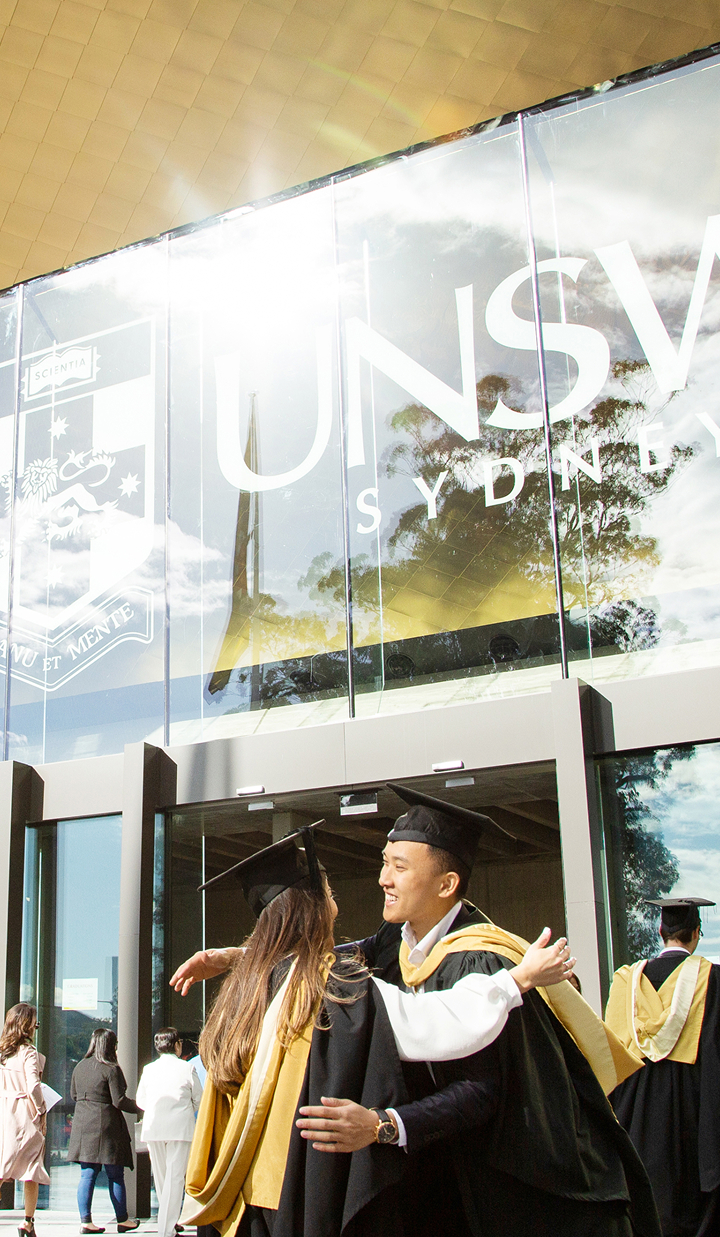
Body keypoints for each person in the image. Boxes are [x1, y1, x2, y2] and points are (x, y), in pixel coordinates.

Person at [173, 787, 661, 1237]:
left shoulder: (479, 959)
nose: (382, 878)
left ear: (447, 883)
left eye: (399, 867)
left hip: (485, 1189)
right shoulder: (390, 944)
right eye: (385, 862)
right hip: (409, 1178)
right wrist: (241, 957)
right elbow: (331, 961)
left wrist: (387, 1124)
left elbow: (481, 1089)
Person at [605, 897, 720, 1237]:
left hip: (638, 1110)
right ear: (696, 934)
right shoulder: (712, 980)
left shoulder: (625, 981)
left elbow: (611, 1051)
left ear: (660, 932)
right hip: (694, 1110)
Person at [67, 1029, 141, 1235]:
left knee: (87, 1174)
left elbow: (74, 1095)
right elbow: (119, 1100)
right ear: (110, 1046)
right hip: (107, 1126)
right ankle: (123, 1220)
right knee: (115, 1174)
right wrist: (142, 1108)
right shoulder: (111, 1069)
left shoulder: (79, 1067)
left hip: (83, 1124)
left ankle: (85, 1221)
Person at [136, 1027, 202, 1237]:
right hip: (179, 1128)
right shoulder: (186, 1068)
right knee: (175, 1179)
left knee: (163, 1179)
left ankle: (168, 1227)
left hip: (154, 1127)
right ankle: (166, 1230)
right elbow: (199, 1098)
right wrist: (184, 1110)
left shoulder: (148, 1069)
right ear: (176, 1044)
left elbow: (141, 1100)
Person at [0, 1003, 48, 1237]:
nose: (36, 1027)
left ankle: (29, 1224)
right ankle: (27, 1222)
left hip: (4, 1112)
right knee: (31, 1169)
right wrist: (41, 1108)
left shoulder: (2, 1053)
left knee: (3, 1165)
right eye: (34, 1023)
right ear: (26, 1025)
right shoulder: (28, 1052)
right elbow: (33, 1086)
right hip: (24, 1115)